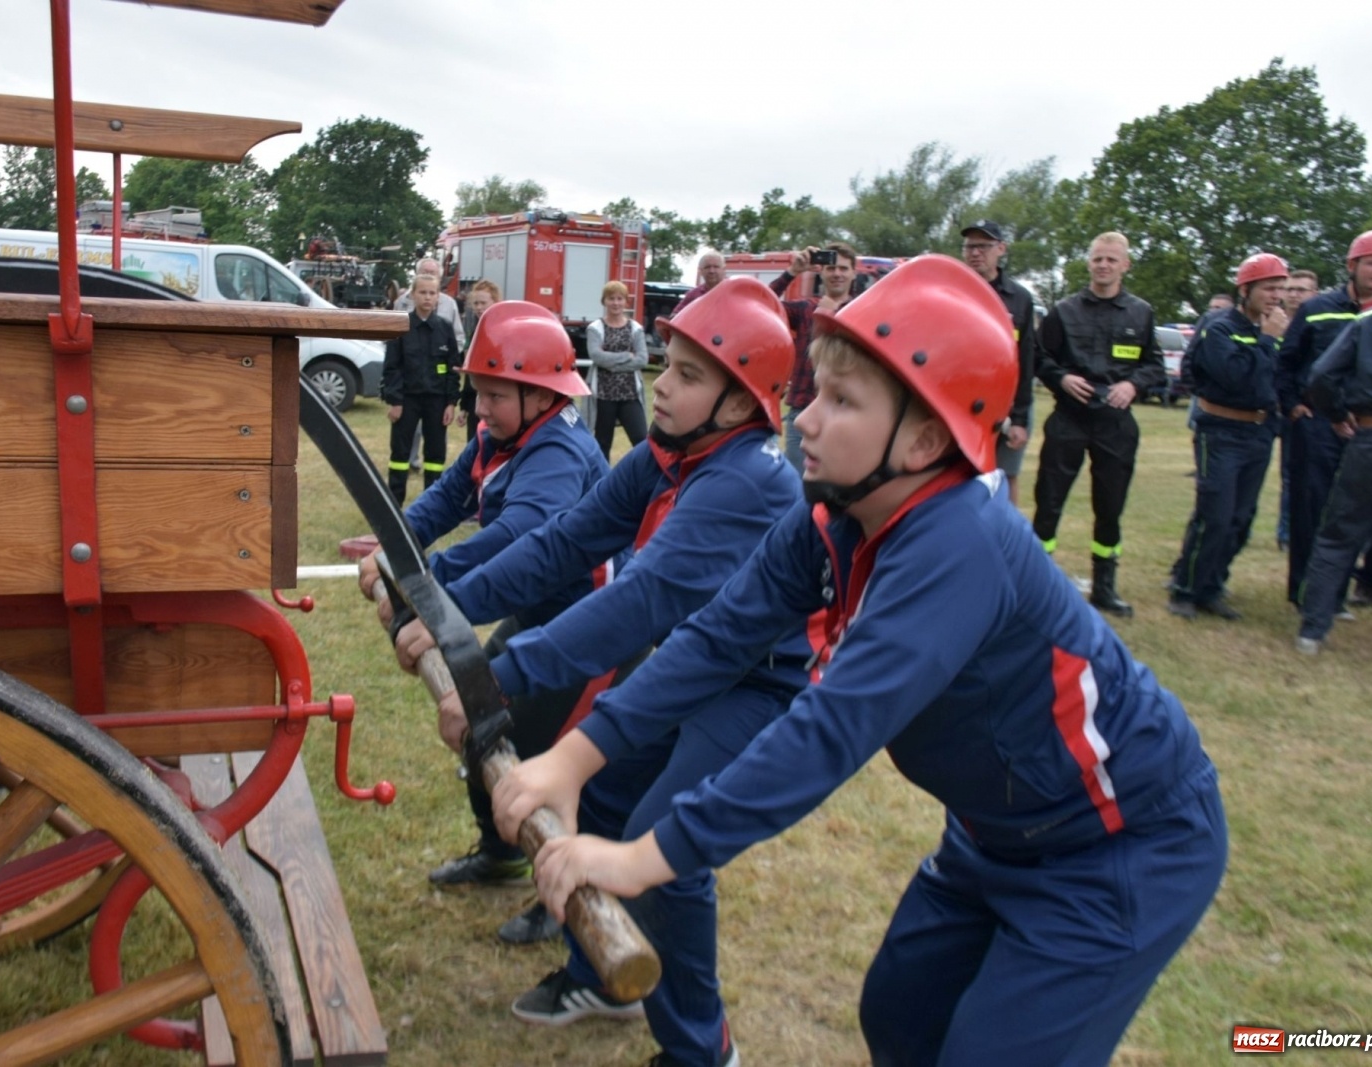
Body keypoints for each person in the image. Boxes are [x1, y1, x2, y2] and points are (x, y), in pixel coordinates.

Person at [508, 255, 1228, 1067]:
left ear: (924, 437)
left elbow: (833, 725)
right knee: (898, 1020)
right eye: (816, 391)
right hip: (993, 835)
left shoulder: (960, 540)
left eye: (843, 400)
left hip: (1118, 846)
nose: (805, 418)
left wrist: (648, 856)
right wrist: (572, 759)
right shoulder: (830, 515)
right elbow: (715, 638)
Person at [396, 276, 804, 1067]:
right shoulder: (666, 453)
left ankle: (702, 1052)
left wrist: (494, 671)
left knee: (671, 855)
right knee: (610, 795)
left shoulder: (745, 478)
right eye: (668, 366)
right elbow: (565, 543)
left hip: (762, 683)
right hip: (697, 661)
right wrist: (447, 608)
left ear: (742, 402)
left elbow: (638, 602)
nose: (662, 387)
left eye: (689, 376)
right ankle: (601, 978)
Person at [359, 300, 609, 944]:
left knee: (551, 766)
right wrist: (394, 546)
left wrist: (428, 583)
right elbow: (444, 500)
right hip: (541, 615)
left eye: (495, 396)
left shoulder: (556, 451)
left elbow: (521, 537)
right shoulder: (505, 435)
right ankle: (503, 856)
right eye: (478, 394)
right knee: (483, 728)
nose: (480, 410)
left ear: (539, 394)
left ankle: (573, 906)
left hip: (591, 634)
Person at [1031, 231, 1165, 618]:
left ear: (1125, 265)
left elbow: (1154, 365)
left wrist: (1132, 384)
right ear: (1088, 263)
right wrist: (1061, 378)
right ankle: (1037, 586)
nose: (1103, 265)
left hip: (1115, 424)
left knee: (1110, 507)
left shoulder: (1140, 313)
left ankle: (1104, 588)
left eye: (1111, 259)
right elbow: (1039, 357)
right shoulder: (1064, 311)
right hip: (1069, 420)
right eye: (1097, 259)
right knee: (1048, 504)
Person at [1276, 230, 1372, 607]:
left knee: (1365, 514)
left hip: (1371, 429)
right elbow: (1287, 362)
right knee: (1311, 507)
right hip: (1318, 424)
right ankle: (1304, 592)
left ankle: (1342, 592)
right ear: (1352, 265)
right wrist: (1294, 405)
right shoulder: (1318, 308)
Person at [1168, 254, 1289, 620]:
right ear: (1246, 288)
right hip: (1221, 431)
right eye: (1269, 288)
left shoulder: (1278, 329)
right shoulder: (1221, 328)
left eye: (1280, 289)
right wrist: (1267, 341)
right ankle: (1184, 589)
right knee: (1214, 515)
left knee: (1241, 518)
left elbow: (1280, 379)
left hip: (1259, 431)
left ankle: (1211, 587)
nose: (1276, 296)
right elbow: (1236, 376)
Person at [1296, 297, 1372, 654]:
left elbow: (1322, 374)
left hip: (1370, 437)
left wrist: (1337, 414)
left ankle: (1312, 630)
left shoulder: (1371, 319)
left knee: (1338, 535)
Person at [961, 220, 1037, 506]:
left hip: (1006, 406)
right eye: (969, 246)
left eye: (983, 246)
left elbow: (1027, 362)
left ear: (1001, 250)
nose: (975, 253)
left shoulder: (1020, 299)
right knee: (959, 476)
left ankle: (1005, 541)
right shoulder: (953, 291)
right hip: (962, 405)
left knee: (1005, 477)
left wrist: (1019, 418)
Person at [770, 242, 858, 468]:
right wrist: (793, 272)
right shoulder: (805, 309)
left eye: (844, 268)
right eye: (831, 268)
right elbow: (763, 303)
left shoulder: (863, 310)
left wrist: (831, 312)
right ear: (821, 271)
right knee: (799, 487)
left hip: (846, 413)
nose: (837, 273)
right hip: (803, 410)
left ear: (853, 273)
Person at [382, 274, 460, 503]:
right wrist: (395, 401)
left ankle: (431, 504)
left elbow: (452, 368)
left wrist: (451, 402)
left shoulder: (444, 328)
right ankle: (394, 504)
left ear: (438, 297)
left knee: (435, 454)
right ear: (413, 295)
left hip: (436, 401)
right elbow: (392, 367)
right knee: (400, 453)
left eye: (432, 293)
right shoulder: (402, 327)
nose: (427, 297)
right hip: (407, 400)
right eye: (423, 292)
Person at [1275, 269, 1320, 549]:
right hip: (1274, 409)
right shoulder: (1272, 322)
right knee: (1289, 475)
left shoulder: (1316, 325)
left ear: (1314, 294)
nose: (1293, 295)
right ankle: (1285, 531)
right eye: (1289, 289)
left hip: (1308, 410)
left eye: (1301, 290)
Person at [585, 280, 650, 459]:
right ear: (604, 301)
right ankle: (602, 481)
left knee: (641, 439)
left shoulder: (635, 328)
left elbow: (642, 360)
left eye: (619, 298)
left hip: (629, 393)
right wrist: (626, 356)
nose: (615, 303)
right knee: (603, 442)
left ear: (626, 301)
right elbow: (596, 356)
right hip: (604, 395)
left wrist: (610, 363)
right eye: (611, 298)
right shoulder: (595, 328)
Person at [393, 257, 468, 348]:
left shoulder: (450, 304)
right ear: (416, 275)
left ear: (440, 279)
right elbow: (394, 336)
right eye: (424, 273)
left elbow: (459, 337)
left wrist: (447, 354)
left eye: (432, 273)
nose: (428, 277)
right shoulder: (401, 302)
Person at [458, 280, 501, 439]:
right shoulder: (475, 330)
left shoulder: (502, 331)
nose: (479, 307)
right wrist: (464, 407)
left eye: (483, 303)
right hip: (476, 399)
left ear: (495, 302)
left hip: (497, 399)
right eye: (475, 303)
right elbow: (471, 373)